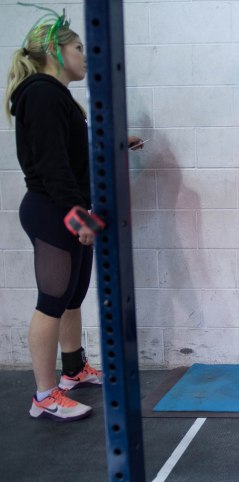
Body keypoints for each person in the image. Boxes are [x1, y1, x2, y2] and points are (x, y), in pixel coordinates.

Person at [4, 6, 143, 421]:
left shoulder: (54, 95)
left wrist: (116, 142)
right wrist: (77, 217)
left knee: (72, 296)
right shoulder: (42, 93)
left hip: (63, 205)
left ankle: (73, 370)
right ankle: (44, 396)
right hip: (53, 210)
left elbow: (71, 151)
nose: (85, 55)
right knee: (51, 301)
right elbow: (53, 166)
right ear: (55, 51)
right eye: (78, 48)